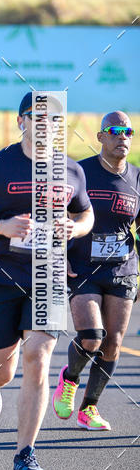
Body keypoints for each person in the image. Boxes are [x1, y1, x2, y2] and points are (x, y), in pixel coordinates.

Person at [0, 92, 94, 470]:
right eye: (39, 117)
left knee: (38, 355)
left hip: (49, 275)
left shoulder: (71, 171)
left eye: (55, 119)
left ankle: (24, 456)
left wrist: (77, 227)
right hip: (2, 275)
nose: (48, 124)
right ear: (22, 121)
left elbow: (85, 213)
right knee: (3, 368)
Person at [53, 112, 140, 431]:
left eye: (128, 132)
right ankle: (69, 379)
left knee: (114, 341)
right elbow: (55, 217)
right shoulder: (80, 172)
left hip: (123, 268)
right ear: (101, 136)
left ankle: (89, 409)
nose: (123, 137)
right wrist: (59, 259)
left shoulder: (137, 178)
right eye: (115, 131)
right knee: (92, 336)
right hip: (83, 267)